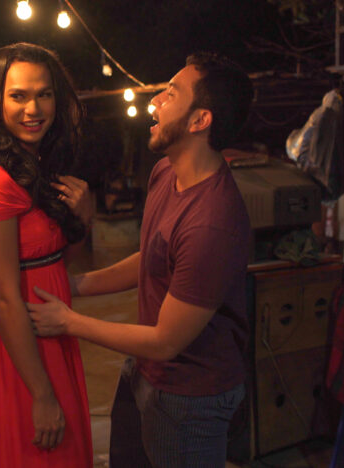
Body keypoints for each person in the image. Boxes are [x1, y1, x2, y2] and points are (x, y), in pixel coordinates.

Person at [27, 53, 253, 468]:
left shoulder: (212, 223)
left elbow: (166, 341)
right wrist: (74, 285)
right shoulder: (166, 172)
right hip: (145, 370)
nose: (154, 102)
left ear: (199, 120)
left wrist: (69, 322)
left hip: (190, 397)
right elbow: (151, 257)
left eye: (171, 94)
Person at [0, 42, 94, 467]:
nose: (33, 109)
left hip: (50, 329)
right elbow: (3, 297)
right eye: (18, 96)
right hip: (23, 349)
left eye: (44, 94)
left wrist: (83, 218)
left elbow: (60, 264)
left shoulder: (36, 166)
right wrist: (41, 393)